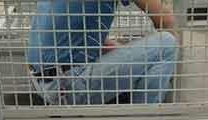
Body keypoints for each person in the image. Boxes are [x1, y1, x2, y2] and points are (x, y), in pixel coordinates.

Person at [26, 0, 179, 105]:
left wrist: (128, 54)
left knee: (150, 63)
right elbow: (165, 20)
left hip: (42, 83)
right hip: (66, 85)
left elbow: (81, 38)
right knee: (167, 44)